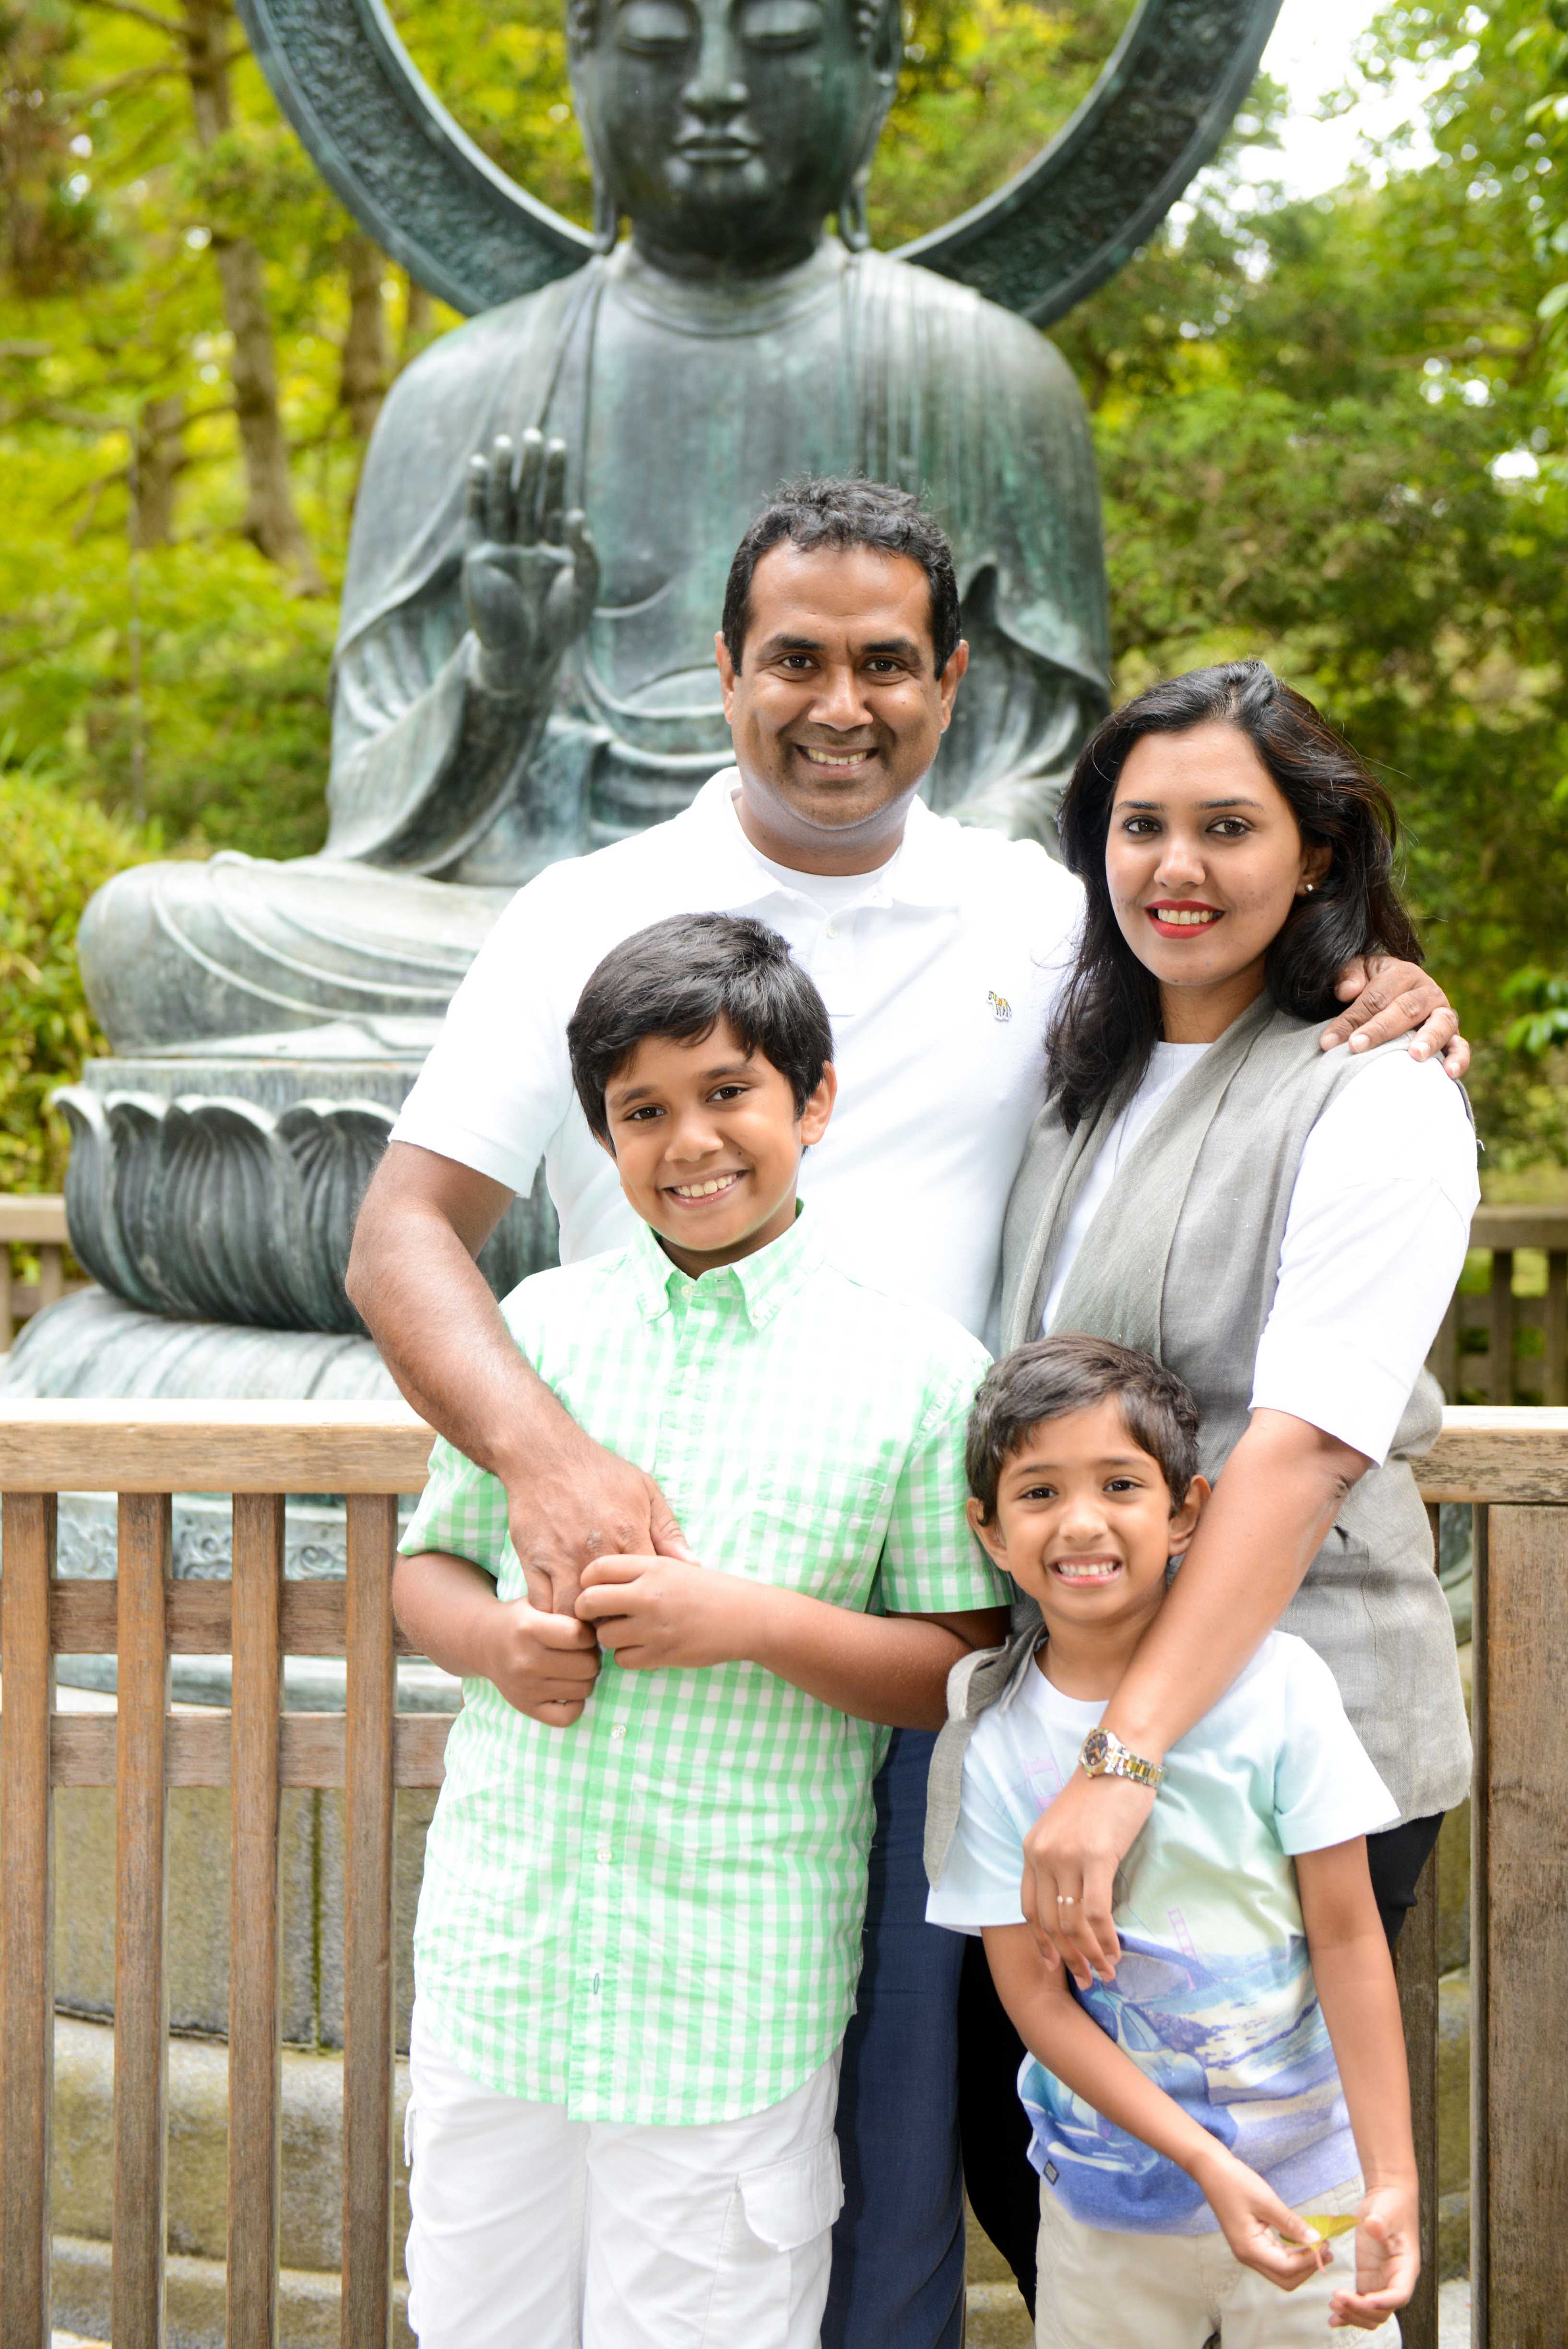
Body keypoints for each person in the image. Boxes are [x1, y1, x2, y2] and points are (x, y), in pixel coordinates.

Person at [346, 482, 1463, 2342]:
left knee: (999, 2164)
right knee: (854, 2141)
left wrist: (1363, 975)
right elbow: (401, 1231)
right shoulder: (585, 911)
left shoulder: (1048, 917)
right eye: (793, 657)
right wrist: (544, 1464)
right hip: (671, 1654)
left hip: (983, 1639)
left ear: (952, 684)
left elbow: (1230, 974)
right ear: (721, 670)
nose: (838, 702)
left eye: (885, 662)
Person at [391, 912, 1010, 2349]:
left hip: (726, 1997)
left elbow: (955, 1665)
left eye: (728, 1092)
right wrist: (495, 1645)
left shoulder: (919, 1372)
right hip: (501, 1972)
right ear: (603, 1134)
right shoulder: (539, 1329)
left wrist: (747, 1622)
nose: (689, 1143)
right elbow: (429, 1571)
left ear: (814, 1100)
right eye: (641, 1111)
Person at [995, 660, 1475, 2020]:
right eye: (1140, 827)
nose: (1175, 867)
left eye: (1226, 827)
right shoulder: (1079, 1079)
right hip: (1073, 1710)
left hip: (1284, 1740)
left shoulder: (1378, 1091)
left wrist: (1123, 1757)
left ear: (1313, 852)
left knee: (1241, 2138)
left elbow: (1306, 1450)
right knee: (1058, 2129)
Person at [926, 1335, 1416, 2347]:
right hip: (1106, 2215)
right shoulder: (992, 1740)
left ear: (1187, 1511)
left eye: (1119, 1484)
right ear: (989, 1530)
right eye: (1039, 1493)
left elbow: (1346, 1936)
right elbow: (1032, 1999)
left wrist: (1391, 2177)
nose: (1081, 1522)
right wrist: (1202, 2160)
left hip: (1313, 2195)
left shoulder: (1283, 1688)